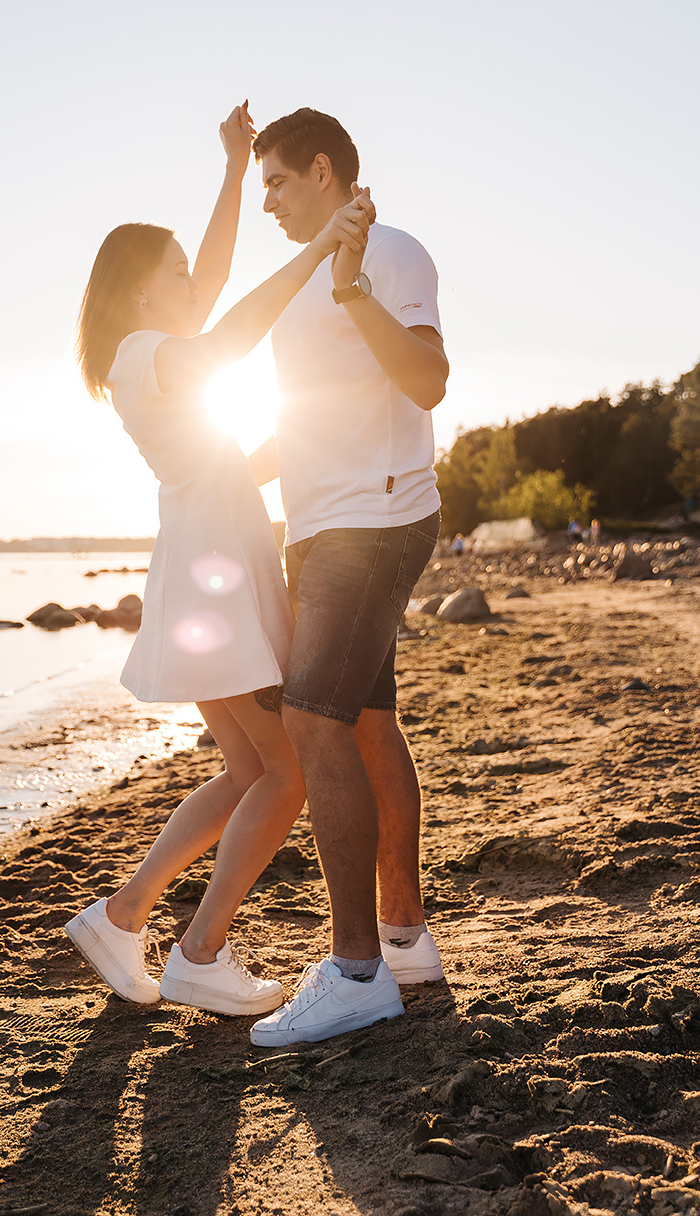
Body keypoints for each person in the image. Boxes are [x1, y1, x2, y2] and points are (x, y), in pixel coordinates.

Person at [66, 102, 375, 1020]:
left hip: (206, 564)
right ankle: (199, 952)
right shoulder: (145, 353)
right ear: (140, 292)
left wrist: (234, 169)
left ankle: (122, 916)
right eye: (173, 273)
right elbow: (229, 330)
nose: (192, 277)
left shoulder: (152, 344)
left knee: (250, 771)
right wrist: (318, 250)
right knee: (280, 774)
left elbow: (215, 277)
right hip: (215, 575)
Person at [242, 108, 449, 1047]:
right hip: (323, 527)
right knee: (365, 721)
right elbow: (305, 420)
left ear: (321, 169)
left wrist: (353, 286)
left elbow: (427, 381)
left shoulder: (392, 254)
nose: (269, 204)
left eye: (277, 183)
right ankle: (403, 940)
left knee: (309, 717)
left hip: (374, 522)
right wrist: (224, 478)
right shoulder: (292, 288)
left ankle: (356, 967)